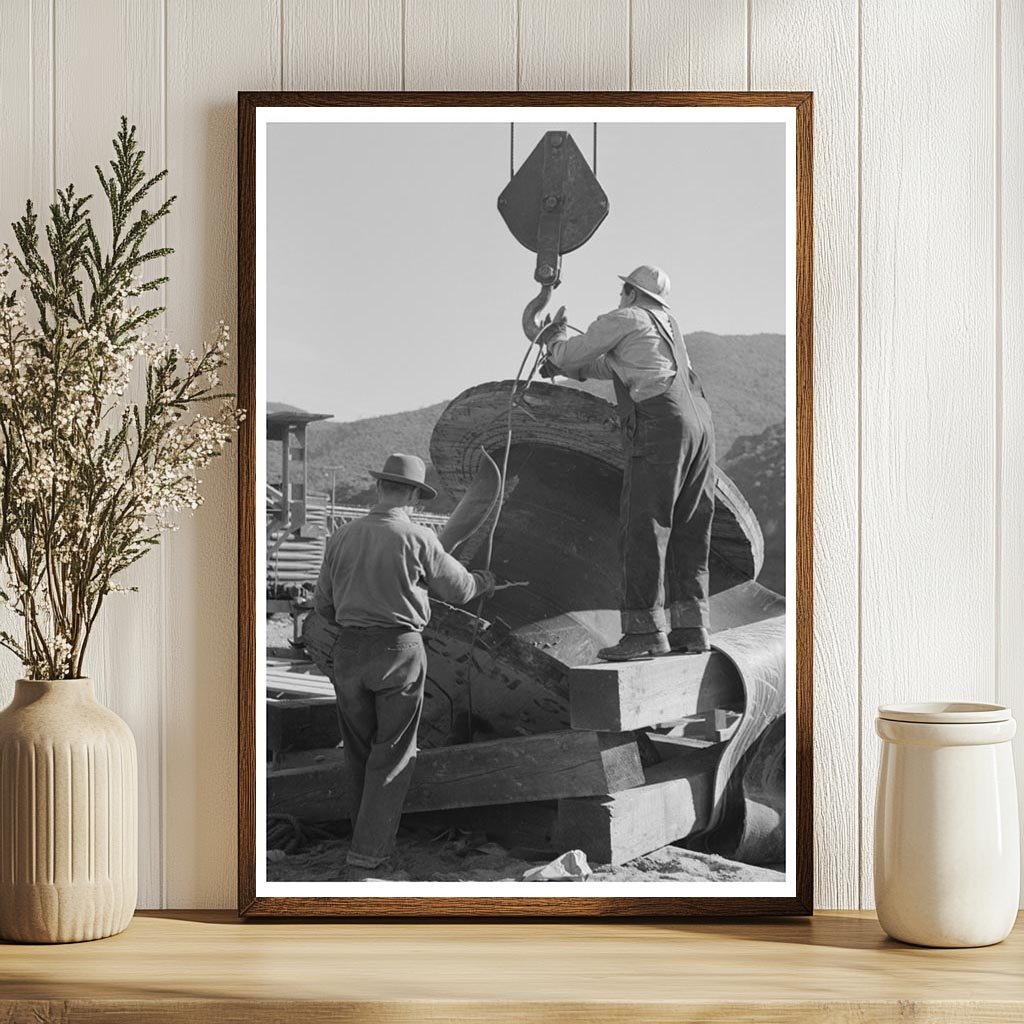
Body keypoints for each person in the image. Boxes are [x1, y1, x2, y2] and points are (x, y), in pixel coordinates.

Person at [313, 453, 496, 871]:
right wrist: (486, 580)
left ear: (380, 488)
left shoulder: (340, 537)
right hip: (399, 651)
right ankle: (371, 853)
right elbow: (460, 590)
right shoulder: (420, 538)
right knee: (394, 753)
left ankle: (359, 842)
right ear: (414, 495)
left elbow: (323, 603)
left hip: (349, 651)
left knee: (358, 750)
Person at [541, 265, 716, 662]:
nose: (620, 296)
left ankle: (645, 632)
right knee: (689, 526)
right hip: (700, 426)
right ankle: (692, 629)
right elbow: (598, 366)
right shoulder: (666, 328)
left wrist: (554, 342)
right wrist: (564, 365)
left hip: (662, 425)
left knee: (644, 525)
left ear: (631, 292)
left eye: (623, 290)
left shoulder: (623, 318)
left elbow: (576, 352)